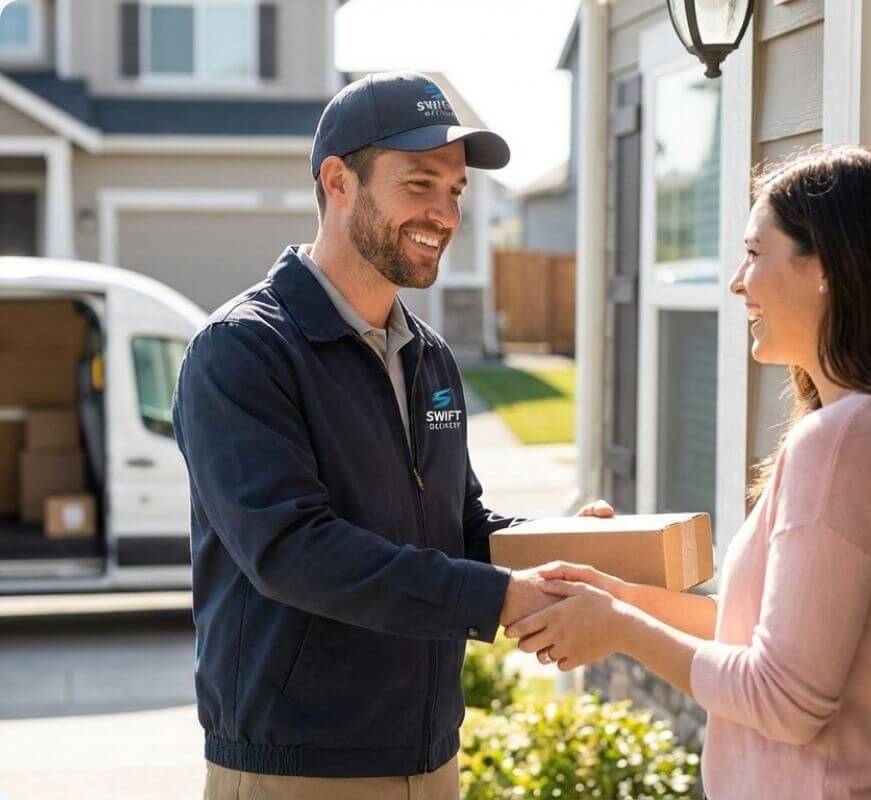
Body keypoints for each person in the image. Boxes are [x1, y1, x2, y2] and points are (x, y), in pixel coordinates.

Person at [172, 71, 612, 800]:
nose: (444, 213)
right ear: (338, 180)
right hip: (299, 769)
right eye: (419, 184)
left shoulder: (427, 356)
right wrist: (500, 599)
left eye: (456, 192)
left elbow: (455, 524)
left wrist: (559, 548)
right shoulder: (242, 350)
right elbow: (291, 550)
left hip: (431, 756)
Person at [506, 145, 871, 799]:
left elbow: (786, 700)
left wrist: (622, 629)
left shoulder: (843, 443)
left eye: (756, 254)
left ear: (829, 270)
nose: (736, 282)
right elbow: (770, 637)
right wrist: (620, 598)